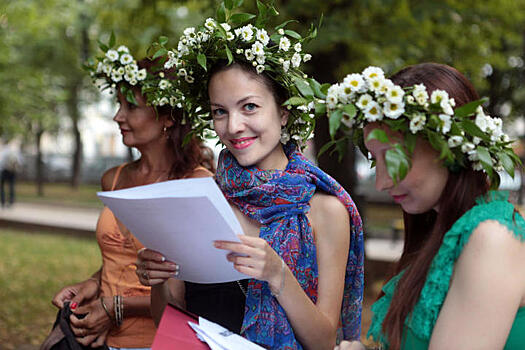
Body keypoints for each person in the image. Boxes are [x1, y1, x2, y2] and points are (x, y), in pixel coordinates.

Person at [135, 6, 365, 349]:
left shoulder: (326, 210)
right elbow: (169, 320)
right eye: (220, 112)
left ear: (284, 113)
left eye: (250, 107)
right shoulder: (203, 200)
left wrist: (277, 274)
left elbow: (322, 342)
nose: (233, 127)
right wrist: (158, 280)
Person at [326, 63, 525, 350]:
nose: (381, 181)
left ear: (447, 148)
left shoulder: (492, 237)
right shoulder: (444, 231)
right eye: (375, 159)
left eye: (394, 158)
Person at [51, 46, 213, 350]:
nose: (117, 116)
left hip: (158, 342)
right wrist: (92, 284)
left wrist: (116, 307)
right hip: (101, 341)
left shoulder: (195, 184)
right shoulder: (113, 178)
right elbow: (120, 262)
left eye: (131, 107)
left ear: (167, 116)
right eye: (117, 104)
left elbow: (196, 289)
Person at [0, 142, 22, 208]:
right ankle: (11, 201)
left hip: (4, 171)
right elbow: (19, 162)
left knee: (2, 187)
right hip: (12, 171)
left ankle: (3, 201)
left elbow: (1, 163)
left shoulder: (3, 152)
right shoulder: (14, 151)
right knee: (11, 186)